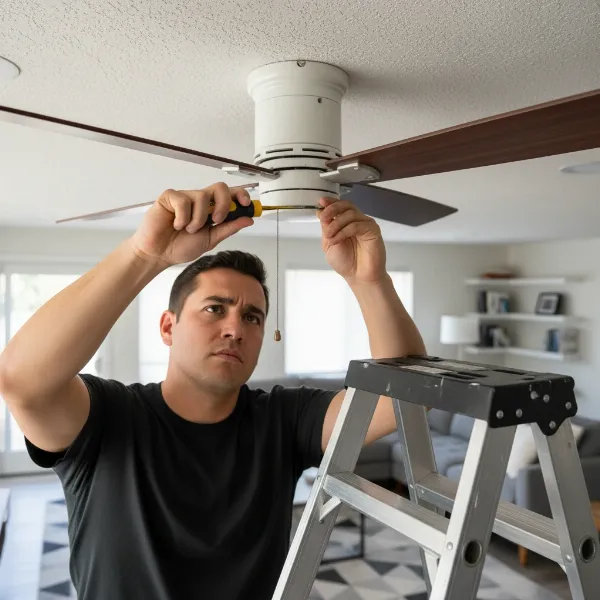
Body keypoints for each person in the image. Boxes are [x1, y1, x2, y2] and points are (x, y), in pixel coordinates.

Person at [0, 182, 426, 600]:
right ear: (169, 327)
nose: (234, 329)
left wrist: (369, 280)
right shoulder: (108, 417)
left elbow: (400, 401)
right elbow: (22, 379)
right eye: (214, 309)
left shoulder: (282, 418)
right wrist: (145, 254)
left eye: (253, 317)